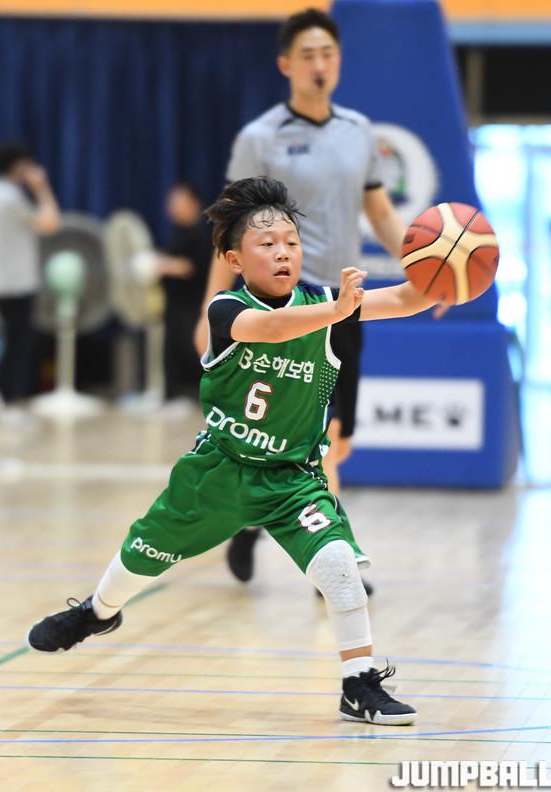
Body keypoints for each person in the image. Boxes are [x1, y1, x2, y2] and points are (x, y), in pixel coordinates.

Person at [27, 176, 439, 725]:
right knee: (142, 551)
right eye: (267, 244)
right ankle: (97, 612)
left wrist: (451, 277)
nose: (283, 252)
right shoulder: (226, 308)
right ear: (233, 259)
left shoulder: (324, 302)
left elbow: (408, 297)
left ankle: (358, 683)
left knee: (339, 566)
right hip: (220, 470)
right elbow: (270, 328)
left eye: (291, 242)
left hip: (293, 478)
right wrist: (340, 311)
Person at [194, 8, 409, 587]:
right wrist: (210, 309)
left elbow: (380, 213)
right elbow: (228, 232)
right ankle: (336, 566)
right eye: (308, 54)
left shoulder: (358, 130)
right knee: (311, 435)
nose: (320, 64)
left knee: (337, 437)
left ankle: (256, 521)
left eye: (328, 54)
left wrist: (426, 271)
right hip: (279, 309)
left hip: (344, 300)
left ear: (339, 62)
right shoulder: (260, 137)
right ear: (286, 64)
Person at [0, 140, 60, 415]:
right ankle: (1, 400)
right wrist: (41, 187)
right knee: (17, 345)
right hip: (17, 284)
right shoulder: (12, 197)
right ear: (18, 166)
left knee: (9, 342)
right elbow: (51, 223)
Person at [156, 182, 211, 413]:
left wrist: (163, 265)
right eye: (171, 202)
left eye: (179, 201)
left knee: (193, 349)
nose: (173, 207)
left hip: (194, 305)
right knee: (170, 350)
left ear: (193, 204)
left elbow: (192, 267)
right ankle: (171, 396)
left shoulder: (203, 234)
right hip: (173, 304)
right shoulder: (176, 234)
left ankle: (201, 397)